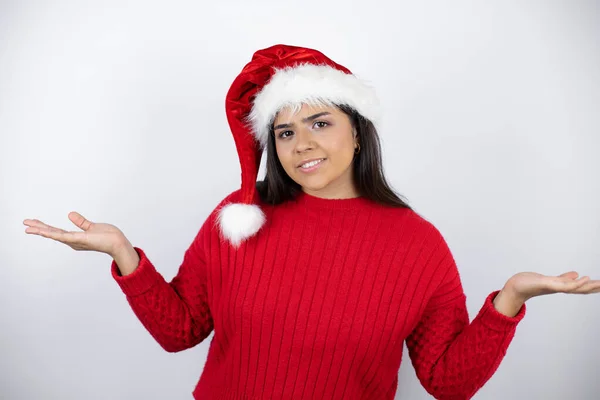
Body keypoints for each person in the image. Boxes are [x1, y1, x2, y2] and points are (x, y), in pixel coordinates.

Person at [24, 44, 600, 400]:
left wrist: (511, 299)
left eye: (320, 123)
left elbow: (447, 384)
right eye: (285, 132)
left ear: (357, 130)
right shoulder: (238, 219)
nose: (302, 145)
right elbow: (180, 332)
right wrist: (123, 252)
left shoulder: (417, 245)